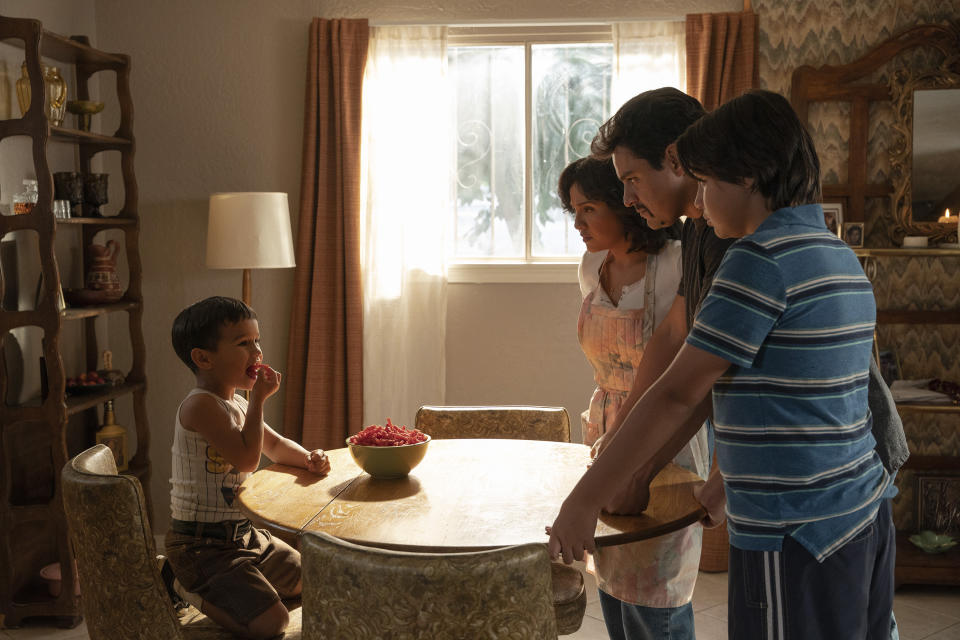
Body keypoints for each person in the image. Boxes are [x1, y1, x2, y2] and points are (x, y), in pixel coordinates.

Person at [548, 90, 897, 640]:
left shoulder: (756, 261)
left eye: (707, 184)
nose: (701, 205)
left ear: (749, 178)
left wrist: (584, 499)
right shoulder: (835, 252)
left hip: (794, 528)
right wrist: (725, 478)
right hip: (861, 511)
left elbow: (679, 393)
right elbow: (792, 392)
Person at [560, 156, 709, 640]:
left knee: (657, 594)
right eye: (572, 211)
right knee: (616, 584)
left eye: (588, 209)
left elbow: (682, 361)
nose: (577, 223)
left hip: (663, 436)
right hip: (604, 427)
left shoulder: (673, 263)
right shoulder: (591, 266)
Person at [165, 296, 332, 639]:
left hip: (243, 535)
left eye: (257, 341)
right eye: (243, 343)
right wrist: (259, 401)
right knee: (272, 624)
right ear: (203, 358)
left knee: (308, 581)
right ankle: (186, 587)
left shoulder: (237, 403)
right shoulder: (200, 406)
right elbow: (247, 458)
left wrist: (307, 459)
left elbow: (274, 445)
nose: (257, 352)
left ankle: (241, 587)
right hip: (202, 545)